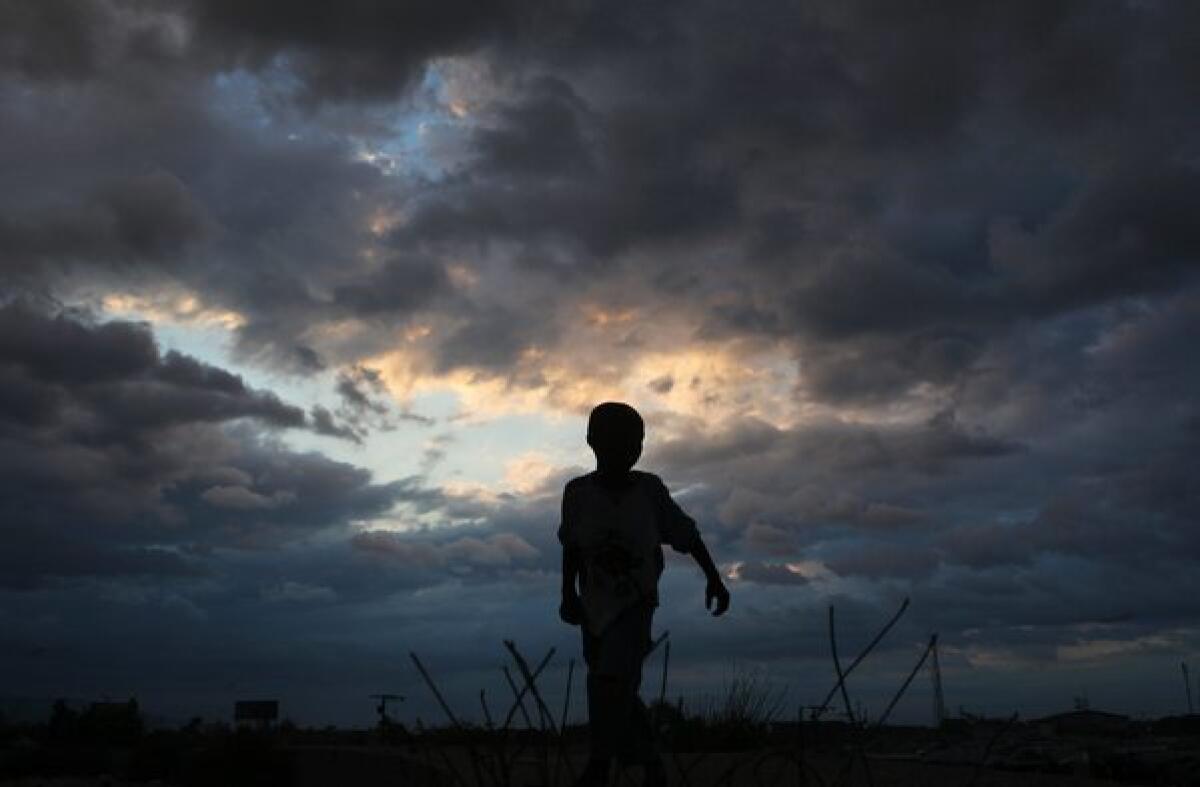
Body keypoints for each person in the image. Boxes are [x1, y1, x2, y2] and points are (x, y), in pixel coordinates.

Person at [558, 402, 730, 787]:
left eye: (633, 443)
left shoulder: (649, 491)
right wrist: (568, 595)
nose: (625, 451)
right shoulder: (577, 493)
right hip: (593, 607)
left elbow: (686, 534)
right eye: (614, 442)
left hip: (635, 604)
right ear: (592, 442)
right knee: (617, 686)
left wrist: (714, 579)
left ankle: (600, 763)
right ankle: (651, 762)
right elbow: (571, 546)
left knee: (610, 681)